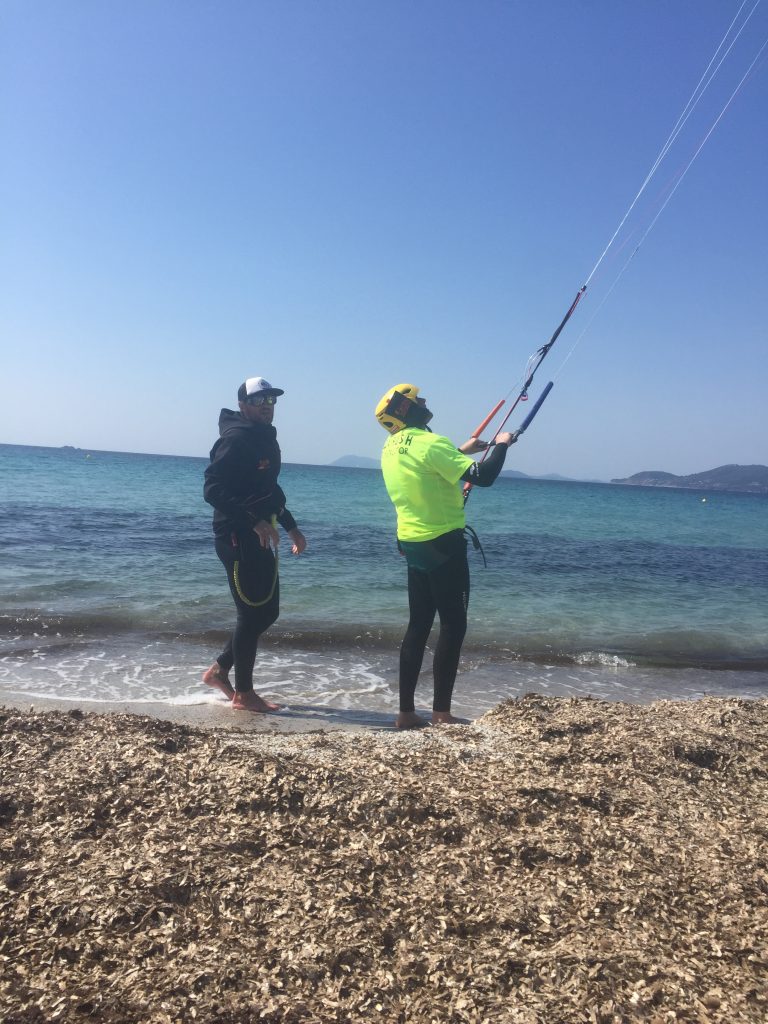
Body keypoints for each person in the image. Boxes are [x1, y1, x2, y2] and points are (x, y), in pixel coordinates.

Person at [375, 383, 514, 729]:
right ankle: (441, 714)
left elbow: (425, 465)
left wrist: (462, 449)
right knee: (453, 625)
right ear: (405, 409)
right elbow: (483, 476)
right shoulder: (431, 443)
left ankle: (405, 713)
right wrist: (501, 445)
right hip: (443, 546)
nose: (424, 402)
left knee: (418, 625)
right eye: (418, 400)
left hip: (411, 544)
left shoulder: (390, 447)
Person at [203, 376, 306, 712]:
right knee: (250, 613)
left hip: (263, 532)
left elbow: (270, 490)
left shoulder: (265, 438)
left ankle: (219, 671)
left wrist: (291, 527)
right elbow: (212, 490)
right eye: (260, 401)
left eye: (271, 401)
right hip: (236, 535)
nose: (267, 407)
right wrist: (254, 520)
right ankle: (244, 695)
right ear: (244, 405)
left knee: (269, 611)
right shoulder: (236, 439)